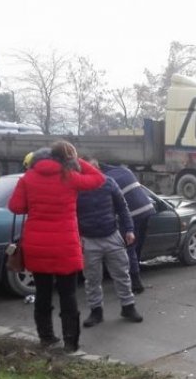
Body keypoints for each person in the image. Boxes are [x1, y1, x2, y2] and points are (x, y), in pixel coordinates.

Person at [8, 140, 105, 353]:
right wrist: (75, 159)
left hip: (37, 246)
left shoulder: (29, 177)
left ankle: (47, 338)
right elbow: (99, 178)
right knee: (68, 295)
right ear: (64, 158)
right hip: (65, 247)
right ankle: (71, 342)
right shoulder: (68, 176)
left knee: (42, 294)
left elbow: (15, 206)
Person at [77, 159, 144, 328]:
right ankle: (96, 312)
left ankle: (128, 307)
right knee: (92, 279)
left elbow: (123, 207)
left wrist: (129, 229)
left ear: (98, 169)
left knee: (122, 273)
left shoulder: (108, 182)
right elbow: (71, 213)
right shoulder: (77, 188)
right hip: (88, 239)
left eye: (94, 169)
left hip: (111, 236)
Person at [97, 161, 156, 293]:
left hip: (132, 214)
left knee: (129, 248)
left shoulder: (107, 179)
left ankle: (136, 283)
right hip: (147, 210)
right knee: (137, 246)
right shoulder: (124, 171)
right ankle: (135, 273)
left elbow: (111, 204)